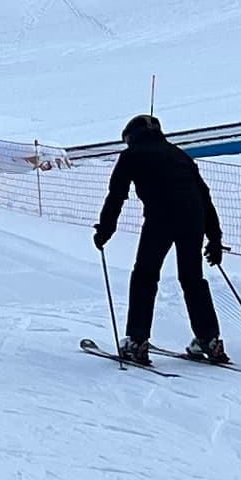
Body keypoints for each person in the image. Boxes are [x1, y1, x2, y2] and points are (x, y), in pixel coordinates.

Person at [94, 111, 227, 366]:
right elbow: (204, 195)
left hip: (161, 219)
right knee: (192, 278)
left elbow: (116, 195)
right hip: (193, 219)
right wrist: (214, 238)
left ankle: (137, 340)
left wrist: (105, 230)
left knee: (145, 276)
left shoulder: (131, 155)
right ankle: (209, 339)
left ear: (131, 137)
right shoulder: (180, 155)